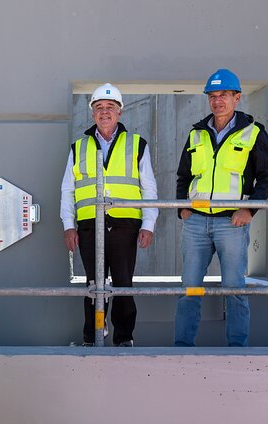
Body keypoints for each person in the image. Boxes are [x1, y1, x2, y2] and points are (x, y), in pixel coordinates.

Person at [174, 69, 268, 347]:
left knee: (235, 290)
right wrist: (183, 209)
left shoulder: (253, 133)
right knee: (188, 290)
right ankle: (182, 348)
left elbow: (267, 177)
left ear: (237, 98)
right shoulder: (196, 133)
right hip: (195, 223)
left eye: (224, 95)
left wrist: (249, 211)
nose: (217, 101)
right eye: (213, 96)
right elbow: (184, 176)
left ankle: (237, 349)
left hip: (231, 223)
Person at [61, 83, 158, 347]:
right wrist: (69, 225)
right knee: (94, 283)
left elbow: (149, 188)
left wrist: (148, 224)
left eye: (110, 108)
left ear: (120, 112)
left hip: (126, 224)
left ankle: (124, 338)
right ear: (92, 113)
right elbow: (67, 190)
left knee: (124, 283)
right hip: (90, 224)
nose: (105, 112)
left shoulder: (137, 144)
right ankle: (93, 335)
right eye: (99, 108)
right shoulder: (78, 147)